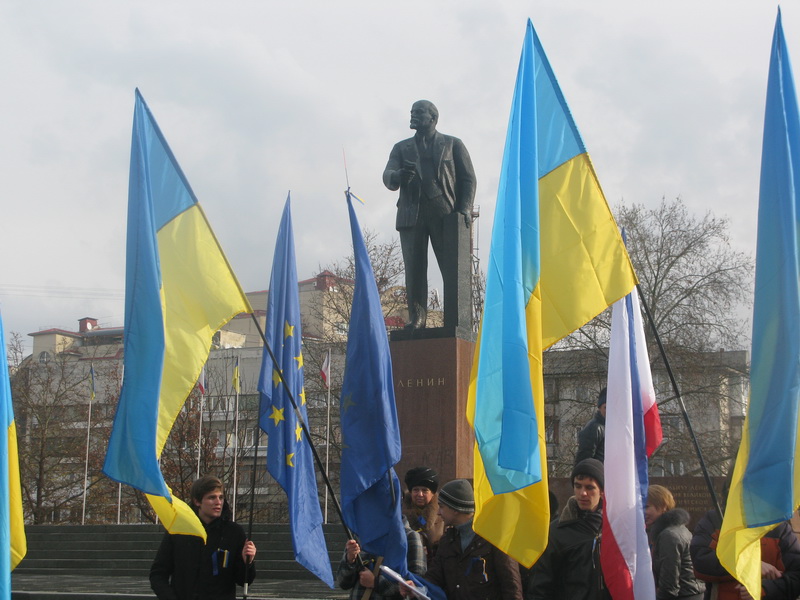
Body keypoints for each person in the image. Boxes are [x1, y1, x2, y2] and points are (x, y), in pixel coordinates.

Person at [383, 100, 477, 330]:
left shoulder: (453, 144)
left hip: (443, 212)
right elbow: (387, 175)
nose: (413, 116)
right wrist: (398, 176)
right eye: (412, 112)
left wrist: (464, 208)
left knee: (451, 267)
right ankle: (417, 317)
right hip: (410, 213)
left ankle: (456, 320)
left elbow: (468, 178)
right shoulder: (401, 147)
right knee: (414, 268)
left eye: (418, 112)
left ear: (433, 117)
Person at [404, 478, 522, 600]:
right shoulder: (447, 540)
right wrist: (415, 588)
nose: (438, 512)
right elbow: (434, 578)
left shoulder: (495, 539)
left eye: (442, 507)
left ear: (455, 509)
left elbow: (511, 586)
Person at [150, 475, 256, 600]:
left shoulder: (234, 532)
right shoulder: (179, 530)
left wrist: (247, 562)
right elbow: (158, 574)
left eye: (221, 497)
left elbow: (244, 580)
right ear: (197, 501)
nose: (218, 502)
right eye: (212, 497)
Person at [527, 458, 609, 600]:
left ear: (602, 491)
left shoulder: (614, 530)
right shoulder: (557, 532)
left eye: (590, 488)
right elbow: (539, 586)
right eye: (578, 486)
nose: (583, 493)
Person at [690, 504, 800, 599]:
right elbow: (701, 561)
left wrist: (764, 590)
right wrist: (749, 566)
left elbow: (796, 576)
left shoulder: (779, 527)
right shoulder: (715, 520)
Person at [336, 515, 426, 600]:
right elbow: (343, 583)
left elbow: (418, 589)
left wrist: (376, 583)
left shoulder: (410, 537)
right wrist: (350, 559)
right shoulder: (360, 535)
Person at [644, 485, 705, 600]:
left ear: (663, 506)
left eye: (647, 507)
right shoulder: (675, 529)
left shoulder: (668, 535)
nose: (643, 512)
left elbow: (669, 582)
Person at [402, 466, 444, 561]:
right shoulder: (401, 516)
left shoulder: (443, 515)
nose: (420, 494)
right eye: (416, 490)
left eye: (425, 490)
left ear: (432, 493)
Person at [575, 388, 607, 464]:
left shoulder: (612, 427)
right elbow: (584, 459)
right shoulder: (594, 428)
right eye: (605, 407)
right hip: (598, 473)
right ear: (599, 408)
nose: (609, 410)